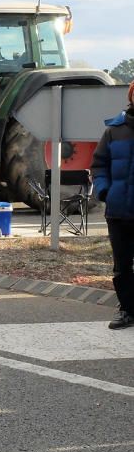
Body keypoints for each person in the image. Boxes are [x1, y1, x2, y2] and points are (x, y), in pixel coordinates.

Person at [91, 80, 134, 330]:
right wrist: (104, 190)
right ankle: (127, 310)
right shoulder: (114, 130)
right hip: (118, 211)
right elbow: (98, 164)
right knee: (122, 266)